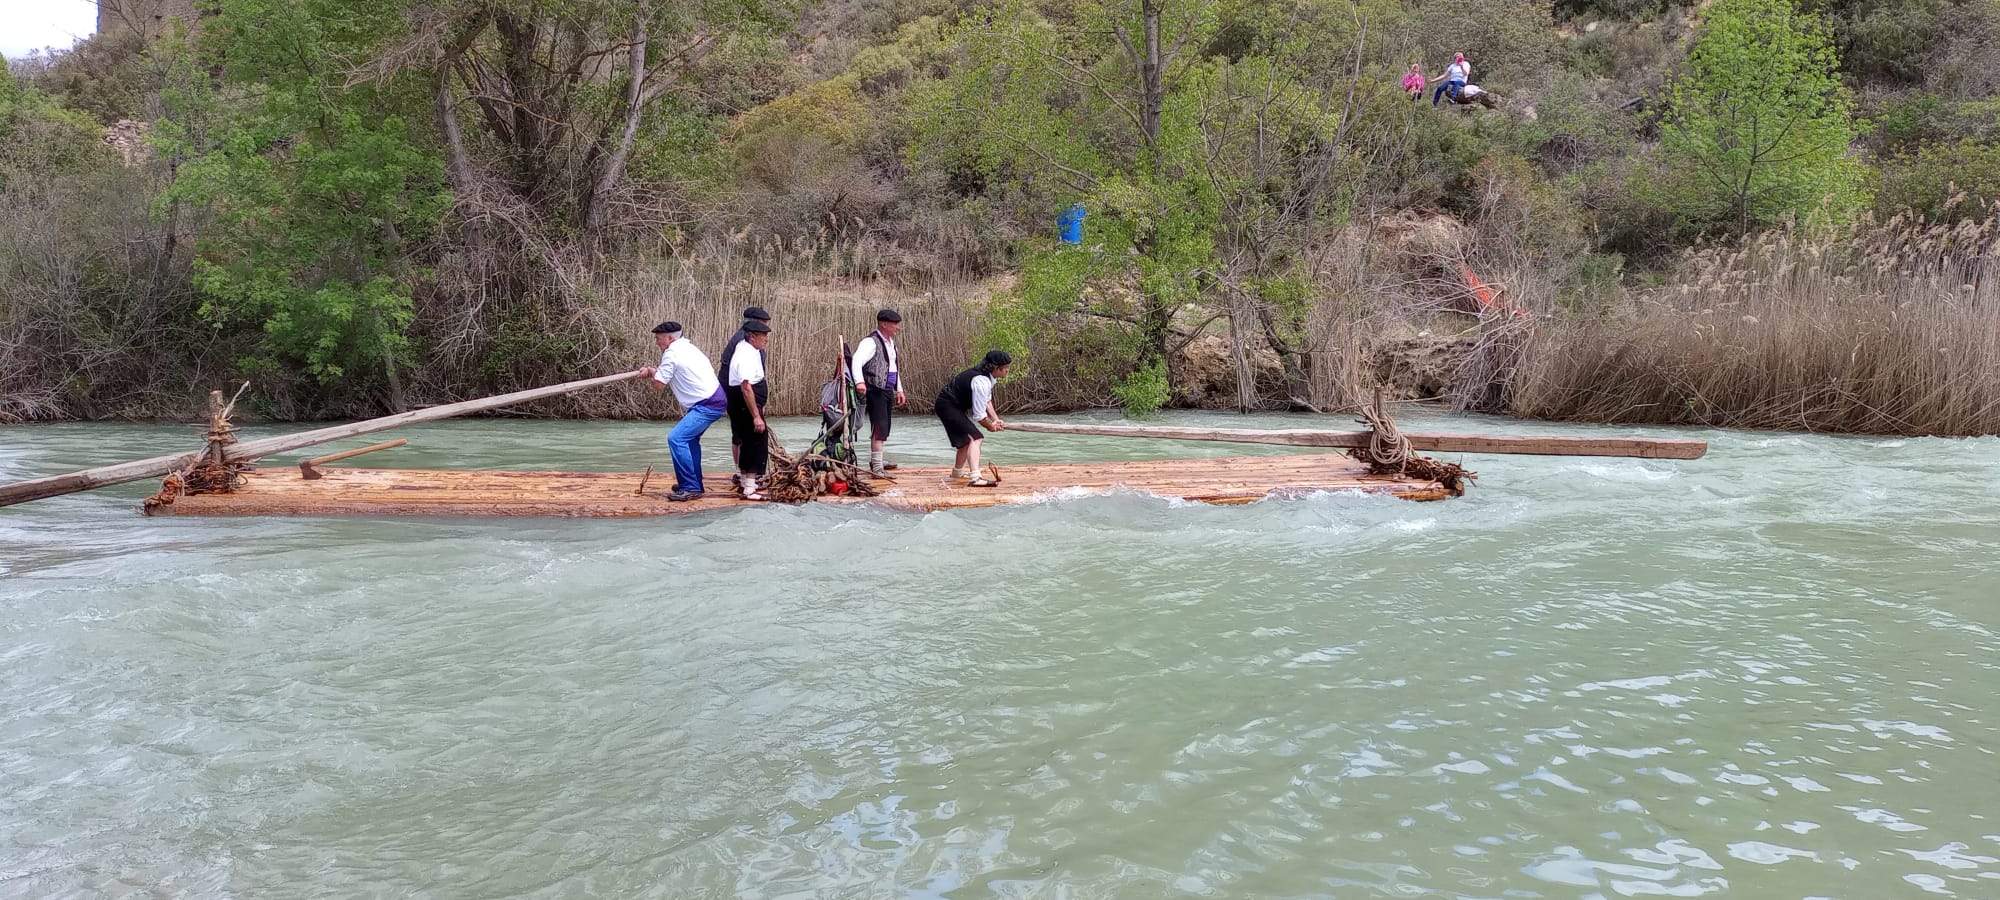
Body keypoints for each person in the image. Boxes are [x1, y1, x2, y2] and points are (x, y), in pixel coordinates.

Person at [639, 321, 728, 501]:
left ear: (670, 338)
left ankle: (691, 487)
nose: (657, 342)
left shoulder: (671, 353)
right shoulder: (687, 348)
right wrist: (652, 371)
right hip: (714, 400)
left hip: (707, 404)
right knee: (690, 440)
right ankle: (693, 483)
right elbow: (667, 373)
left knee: (676, 438)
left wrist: (650, 373)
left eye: (658, 339)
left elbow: (659, 384)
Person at [935, 350, 1011, 487]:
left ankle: (957, 473)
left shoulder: (987, 378)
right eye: (1005, 368)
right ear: (995, 368)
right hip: (947, 405)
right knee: (976, 437)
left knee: (965, 441)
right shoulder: (981, 381)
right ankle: (975, 477)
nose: (1007, 371)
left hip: (951, 406)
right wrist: (990, 426)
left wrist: (996, 419)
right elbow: (979, 416)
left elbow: (987, 401)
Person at [716, 306, 772, 475]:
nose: (765, 331)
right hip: (740, 395)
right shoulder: (743, 343)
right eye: (762, 325)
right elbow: (744, 382)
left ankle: (745, 475)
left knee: (742, 435)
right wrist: (754, 410)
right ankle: (746, 476)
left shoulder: (746, 341)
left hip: (741, 394)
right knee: (744, 436)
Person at [851, 308, 906, 476]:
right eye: (895, 324)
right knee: (879, 427)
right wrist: (860, 382)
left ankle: (878, 460)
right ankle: (877, 467)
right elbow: (856, 361)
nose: (898, 328)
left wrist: (899, 390)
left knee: (885, 427)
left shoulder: (891, 344)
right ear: (883, 324)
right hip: (875, 390)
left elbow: (893, 368)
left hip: (887, 389)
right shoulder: (870, 342)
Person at [726, 320, 773, 500]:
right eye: (763, 336)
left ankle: (747, 482)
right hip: (745, 403)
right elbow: (746, 387)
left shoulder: (749, 349)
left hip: (744, 402)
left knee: (748, 440)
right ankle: (749, 489)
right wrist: (756, 416)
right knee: (756, 439)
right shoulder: (745, 354)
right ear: (752, 336)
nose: (766, 340)